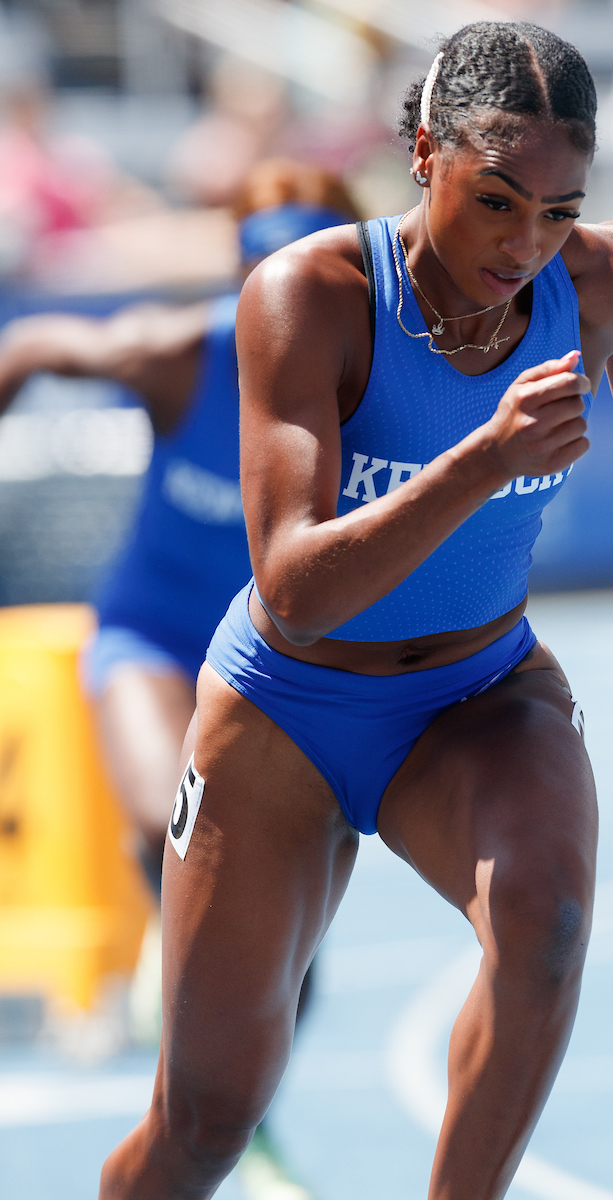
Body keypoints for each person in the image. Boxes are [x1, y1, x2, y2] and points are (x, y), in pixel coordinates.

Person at [99, 23, 613, 1200]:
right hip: (283, 714)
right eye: (497, 201)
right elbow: (295, 595)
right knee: (206, 1125)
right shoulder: (311, 296)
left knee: (547, 921)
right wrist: (482, 460)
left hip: (477, 696)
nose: (525, 246)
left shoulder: (599, 281)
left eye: (560, 212)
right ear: (424, 153)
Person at [0, 158, 360, 1200]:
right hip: (154, 641)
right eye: (261, 274)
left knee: (290, 949)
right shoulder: (179, 355)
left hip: (288, 667)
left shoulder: (388, 383)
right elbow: (30, 346)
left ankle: (251, 1121)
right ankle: (164, 896)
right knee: (186, 826)